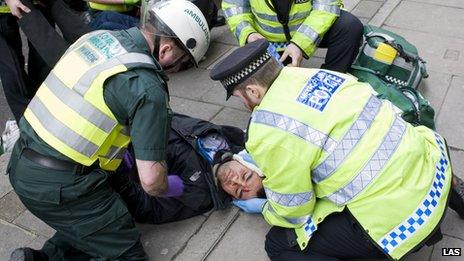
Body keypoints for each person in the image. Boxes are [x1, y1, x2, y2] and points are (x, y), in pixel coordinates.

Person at [209, 39, 464, 260]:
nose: (243, 103)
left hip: (406, 218)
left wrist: (265, 208)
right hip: (434, 168)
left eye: (239, 96)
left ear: (253, 91)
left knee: (278, 244)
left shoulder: (265, 132)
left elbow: (295, 211)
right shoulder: (320, 75)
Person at [6, 0, 210, 260]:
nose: (177, 70)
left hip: (22, 163)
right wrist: (174, 187)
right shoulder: (147, 88)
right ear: (167, 50)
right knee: (126, 254)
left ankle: (41, 258)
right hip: (60, 184)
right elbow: (150, 182)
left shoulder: (98, 38)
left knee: (102, 218)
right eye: (182, 63)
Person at [111, 113, 245, 224]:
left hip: (114, 155)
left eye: (238, 191)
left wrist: (121, 177)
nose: (235, 181)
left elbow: (151, 209)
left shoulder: (199, 193)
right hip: (128, 117)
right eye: (246, 176)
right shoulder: (235, 139)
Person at [222, 0, 363, 72]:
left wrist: (299, 45)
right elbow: (234, 9)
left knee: (349, 26)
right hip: (268, 44)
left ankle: (331, 79)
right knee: (271, 98)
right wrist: (249, 34)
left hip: (308, 33)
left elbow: (326, 7)